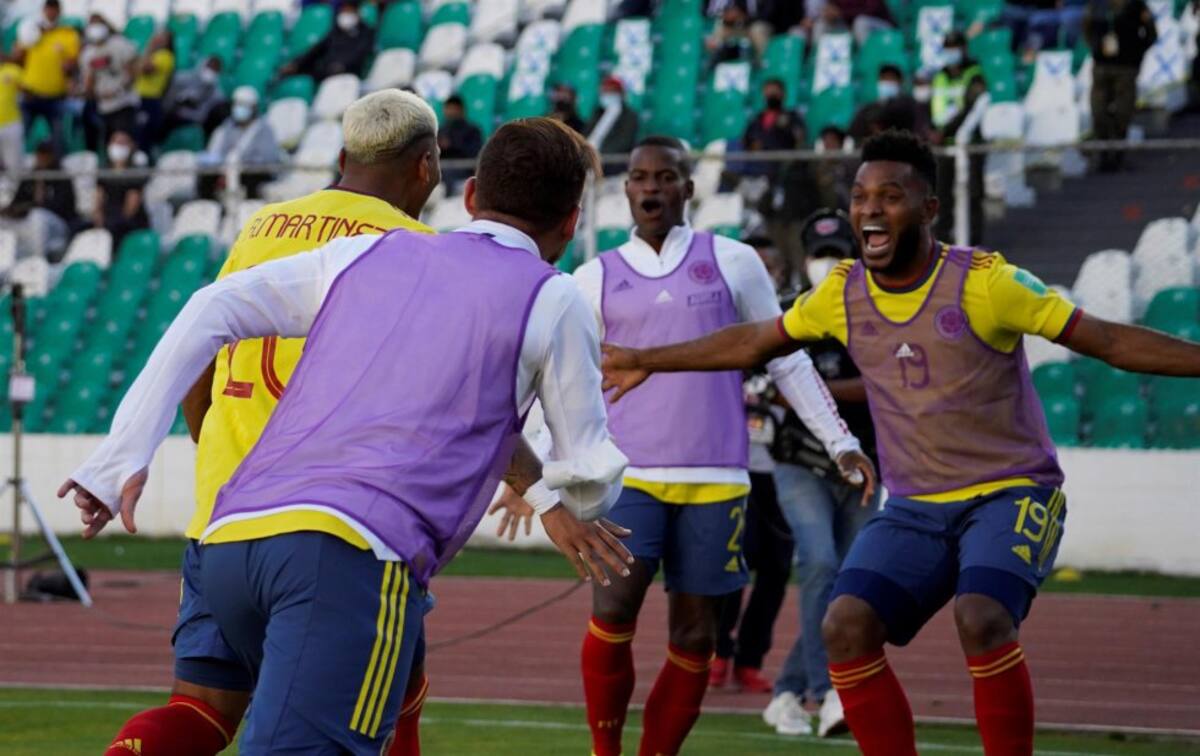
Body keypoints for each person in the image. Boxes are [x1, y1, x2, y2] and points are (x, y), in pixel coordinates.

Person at [600, 129, 1200, 756]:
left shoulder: (987, 283)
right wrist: (648, 357)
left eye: (890, 196)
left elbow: (1106, 340)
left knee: (981, 616)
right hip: (915, 507)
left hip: (1012, 492)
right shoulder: (842, 293)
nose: (869, 210)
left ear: (928, 209)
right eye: (860, 197)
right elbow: (755, 342)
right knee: (846, 624)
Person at [62, 116, 633, 755]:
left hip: (232, 539)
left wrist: (120, 458)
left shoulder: (374, 252)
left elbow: (210, 307)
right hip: (348, 557)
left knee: (220, 710)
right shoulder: (554, 299)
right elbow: (589, 477)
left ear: (471, 195)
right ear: (572, 222)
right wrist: (566, 500)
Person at [92, 89, 450, 756]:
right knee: (390, 699)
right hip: (335, 528)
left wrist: (214, 444)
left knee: (200, 709)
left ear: (343, 156)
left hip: (224, 516)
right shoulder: (418, 247)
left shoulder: (264, 226)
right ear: (426, 166)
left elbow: (203, 342)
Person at [571, 135, 874, 756]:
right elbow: (567, 381)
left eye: (666, 177)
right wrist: (544, 475)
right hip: (629, 476)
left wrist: (840, 440)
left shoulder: (733, 261)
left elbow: (783, 360)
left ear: (689, 187)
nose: (651, 188)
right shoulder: (592, 276)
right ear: (624, 190)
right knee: (615, 609)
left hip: (718, 479)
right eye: (638, 177)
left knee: (696, 636)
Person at [761, 209, 880, 739]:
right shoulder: (790, 313)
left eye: (836, 253)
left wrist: (807, 388)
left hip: (863, 465)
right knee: (819, 563)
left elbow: (881, 383)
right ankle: (828, 690)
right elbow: (764, 375)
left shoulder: (875, 314)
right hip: (801, 460)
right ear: (804, 257)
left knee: (843, 581)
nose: (826, 264)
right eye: (818, 253)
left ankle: (787, 690)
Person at [711, 236, 795, 695]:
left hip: (781, 469)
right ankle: (718, 651)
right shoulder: (721, 327)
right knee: (731, 564)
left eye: (772, 267)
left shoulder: (791, 327)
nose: (765, 274)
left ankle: (751, 657)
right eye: (757, 265)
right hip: (731, 464)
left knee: (777, 567)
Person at [741, 78, 819, 281]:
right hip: (766, 187)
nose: (771, 95)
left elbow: (799, 141)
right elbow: (749, 145)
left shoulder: (792, 118)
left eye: (775, 92)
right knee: (773, 239)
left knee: (794, 240)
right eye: (768, 91)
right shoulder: (758, 120)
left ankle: (803, 282)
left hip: (792, 187)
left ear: (783, 94)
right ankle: (781, 280)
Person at [1084, 0, 1157, 172]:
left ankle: (1117, 155)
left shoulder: (1136, 5)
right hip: (1101, 67)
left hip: (1126, 67)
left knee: (1123, 113)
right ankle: (1103, 154)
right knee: (1099, 112)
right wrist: (1095, 48)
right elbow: (1087, 27)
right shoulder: (1097, 5)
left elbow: (1151, 33)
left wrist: (1136, 52)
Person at [15, 0, 80, 150]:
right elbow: (17, 57)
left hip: (56, 96)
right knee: (19, 137)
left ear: (59, 11)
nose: (51, 12)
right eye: (48, 8)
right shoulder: (31, 30)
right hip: (30, 94)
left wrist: (68, 67)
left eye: (54, 8)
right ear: (43, 10)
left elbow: (73, 63)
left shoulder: (68, 34)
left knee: (58, 140)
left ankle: (59, 170)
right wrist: (30, 37)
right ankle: (13, 171)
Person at [199, 86, 282, 199]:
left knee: (251, 179)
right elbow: (218, 152)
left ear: (254, 108)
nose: (239, 109)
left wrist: (243, 163)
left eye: (244, 105)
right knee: (207, 177)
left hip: (253, 172)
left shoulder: (264, 129)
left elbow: (269, 158)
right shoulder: (227, 126)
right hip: (228, 169)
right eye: (237, 104)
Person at [0, 139, 78, 260]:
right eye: (40, 154)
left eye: (46, 154)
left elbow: (60, 207)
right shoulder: (31, 175)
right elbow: (17, 201)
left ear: (52, 156)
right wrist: (11, 211)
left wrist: (31, 206)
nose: (42, 158)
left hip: (57, 225)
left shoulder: (61, 176)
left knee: (37, 216)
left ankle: (37, 260)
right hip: (28, 221)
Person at [78, 12, 140, 151]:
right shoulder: (88, 53)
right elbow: (88, 81)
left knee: (123, 142)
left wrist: (119, 89)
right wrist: (89, 92)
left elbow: (133, 70)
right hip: (102, 105)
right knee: (106, 144)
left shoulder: (120, 44)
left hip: (124, 102)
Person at [280, 1, 375, 82]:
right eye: (343, 11)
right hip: (326, 72)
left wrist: (342, 65)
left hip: (347, 75)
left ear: (357, 12)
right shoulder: (335, 32)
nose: (345, 14)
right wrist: (296, 64)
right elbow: (315, 50)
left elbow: (359, 54)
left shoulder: (366, 32)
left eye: (349, 11)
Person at [94, 130, 149, 249]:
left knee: (117, 228)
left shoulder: (134, 173)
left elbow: (131, 208)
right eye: (115, 142)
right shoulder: (104, 172)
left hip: (129, 221)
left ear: (131, 146)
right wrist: (99, 221)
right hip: (109, 216)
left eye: (122, 143)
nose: (118, 146)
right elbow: (98, 200)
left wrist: (114, 223)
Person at [162, 56, 229, 138]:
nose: (211, 71)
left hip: (198, 120)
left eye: (215, 69)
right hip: (177, 115)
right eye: (210, 67)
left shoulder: (216, 91)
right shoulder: (185, 78)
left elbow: (219, 101)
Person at [585, 76, 640, 173]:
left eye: (611, 91)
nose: (607, 94)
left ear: (620, 93)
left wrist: (600, 155)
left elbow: (624, 142)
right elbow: (586, 134)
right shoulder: (598, 112)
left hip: (611, 162)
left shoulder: (629, 116)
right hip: (589, 159)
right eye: (604, 91)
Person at [134, 29, 176, 151]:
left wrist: (149, 48)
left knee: (144, 137)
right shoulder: (153, 56)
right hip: (140, 98)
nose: (157, 39)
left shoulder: (166, 56)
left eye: (162, 37)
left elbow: (145, 69)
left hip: (151, 99)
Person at [437, 94, 483, 191]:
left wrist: (452, 145)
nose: (451, 112)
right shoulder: (440, 130)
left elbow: (475, 153)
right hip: (442, 169)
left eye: (454, 109)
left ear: (461, 110)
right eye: (448, 108)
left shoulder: (472, 130)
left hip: (464, 170)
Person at [0, 53, 23, 175]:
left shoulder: (13, 70)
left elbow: (26, 89)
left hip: (11, 123)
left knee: (14, 166)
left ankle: (15, 193)